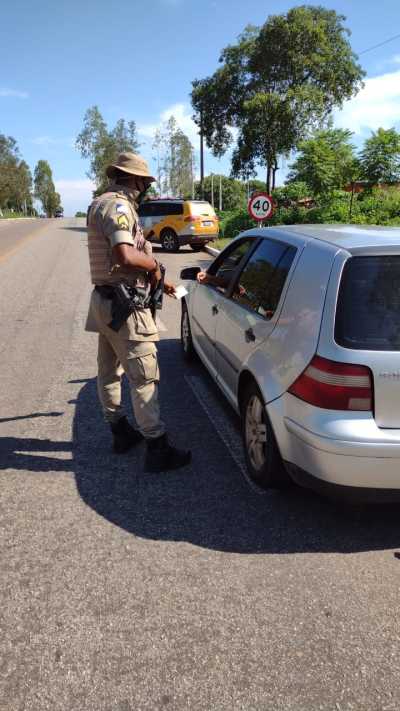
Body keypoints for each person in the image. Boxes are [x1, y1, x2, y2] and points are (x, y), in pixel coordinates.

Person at [85, 152, 191, 473]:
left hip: (105, 303)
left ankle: (120, 432)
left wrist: (164, 282)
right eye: (144, 182)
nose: (144, 188)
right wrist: (155, 265)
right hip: (125, 308)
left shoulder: (97, 203)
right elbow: (126, 256)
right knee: (144, 378)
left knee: (108, 371)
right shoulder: (118, 206)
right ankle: (157, 447)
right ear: (133, 180)